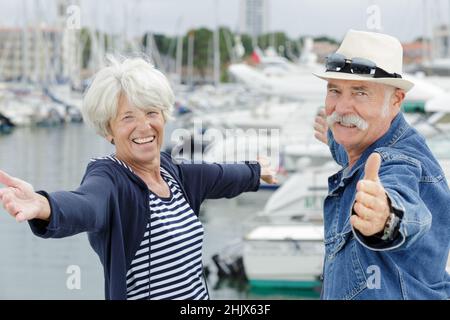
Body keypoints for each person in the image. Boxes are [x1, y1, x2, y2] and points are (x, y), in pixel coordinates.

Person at [0, 57, 277, 300]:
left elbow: (220, 176)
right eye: (128, 117)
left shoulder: (173, 173)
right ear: (108, 130)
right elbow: (87, 204)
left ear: (164, 117)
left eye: (151, 112)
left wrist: (256, 170)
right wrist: (44, 205)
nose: (143, 126)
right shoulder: (110, 178)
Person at [313, 29, 450, 299]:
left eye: (360, 93)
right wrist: (333, 138)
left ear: (396, 100)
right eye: (335, 91)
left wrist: (384, 219)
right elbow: (354, 156)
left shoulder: (399, 161)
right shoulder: (363, 145)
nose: (341, 107)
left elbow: (405, 206)